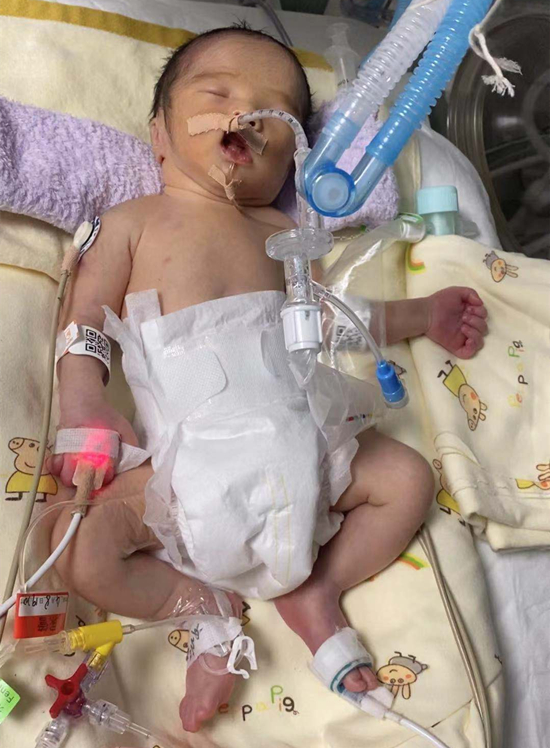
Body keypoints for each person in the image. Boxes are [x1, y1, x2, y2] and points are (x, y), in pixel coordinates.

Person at [49, 25, 488, 733]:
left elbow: (337, 318)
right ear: (159, 134)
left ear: (292, 161)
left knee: (407, 479)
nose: (245, 115)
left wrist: (423, 314)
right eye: (218, 94)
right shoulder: (133, 223)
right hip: (182, 479)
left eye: (272, 114)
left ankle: (317, 589)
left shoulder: (281, 238)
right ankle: (202, 608)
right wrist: (84, 403)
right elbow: (83, 321)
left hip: (306, 453)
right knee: (77, 548)